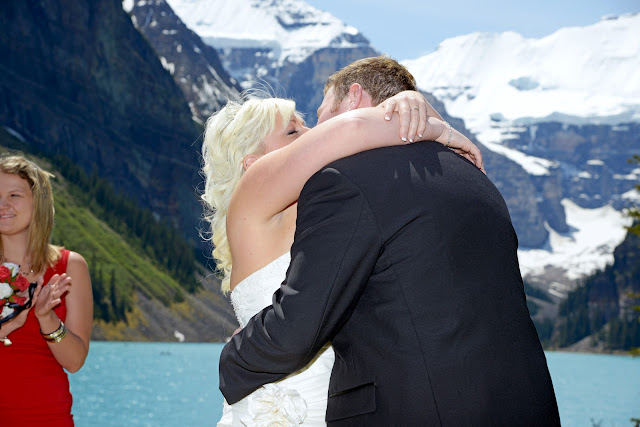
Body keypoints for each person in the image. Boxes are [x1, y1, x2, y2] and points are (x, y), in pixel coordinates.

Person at [218, 56, 560, 425]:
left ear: (353, 99)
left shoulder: (344, 187)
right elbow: (352, 130)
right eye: (293, 132)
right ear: (251, 163)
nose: (314, 133)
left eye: (315, 120)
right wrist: (436, 126)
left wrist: (419, 113)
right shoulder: (473, 178)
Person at [0, 154, 93, 426]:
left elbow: (74, 362)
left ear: (38, 202)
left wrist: (47, 318)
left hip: (46, 417)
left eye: (14, 195)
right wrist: (9, 326)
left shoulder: (70, 266)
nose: (3, 205)